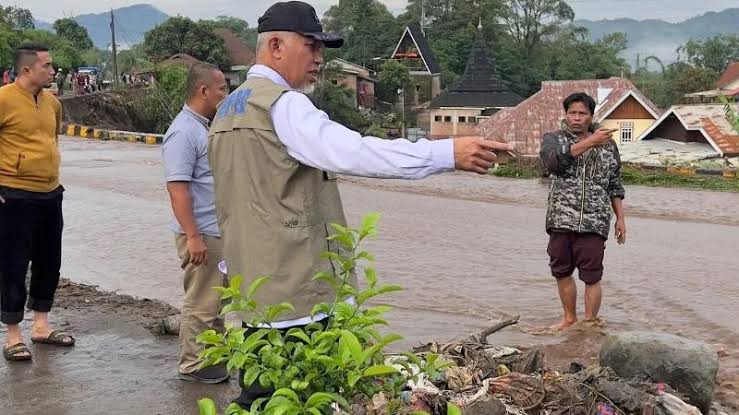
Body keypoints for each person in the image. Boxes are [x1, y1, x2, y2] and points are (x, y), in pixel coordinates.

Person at [208, 1, 513, 407]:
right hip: (297, 295)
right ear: (276, 46)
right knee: (303, 398)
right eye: (311, 46)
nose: (320, 59)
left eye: (322, 48)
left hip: (254, 291)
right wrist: (444, 154)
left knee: (262, 394)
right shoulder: (284, 105)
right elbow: (356, 152)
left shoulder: (227, 111)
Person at [0, 43, 73, 362]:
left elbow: (52, 140)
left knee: (49, 261)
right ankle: (13, 334)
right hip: (13, 194)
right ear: (27, 69)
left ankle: (41, 326)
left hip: (49, 193)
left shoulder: (52, 103)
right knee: (13, 264)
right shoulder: (3, 100)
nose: (53, 70)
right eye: (47, 65)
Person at [162, 63, 231, 383]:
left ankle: (213, 360)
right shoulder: (183, 132)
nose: (225, 94)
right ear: (204, 91)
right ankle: (193, 365)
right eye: (222, 89)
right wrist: (193, 236)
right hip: (201, 231)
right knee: (201, 302)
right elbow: (178, 189)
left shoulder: (202, 127)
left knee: (215, 301)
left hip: (213, 230)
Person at [539, 92, 626, 331]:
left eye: (582, 113)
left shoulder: (609, 145)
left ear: (591, 116)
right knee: (561, 271)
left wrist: (620, 219)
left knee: (592, 276)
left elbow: (614, 183)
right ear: (565, 115)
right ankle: (569, 318)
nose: (576, 118)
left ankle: (589, 323)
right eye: (572, 113)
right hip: (561, 218)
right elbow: (553, 164)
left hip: (594, 221)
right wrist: (590, 142)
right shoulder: (553, 139)